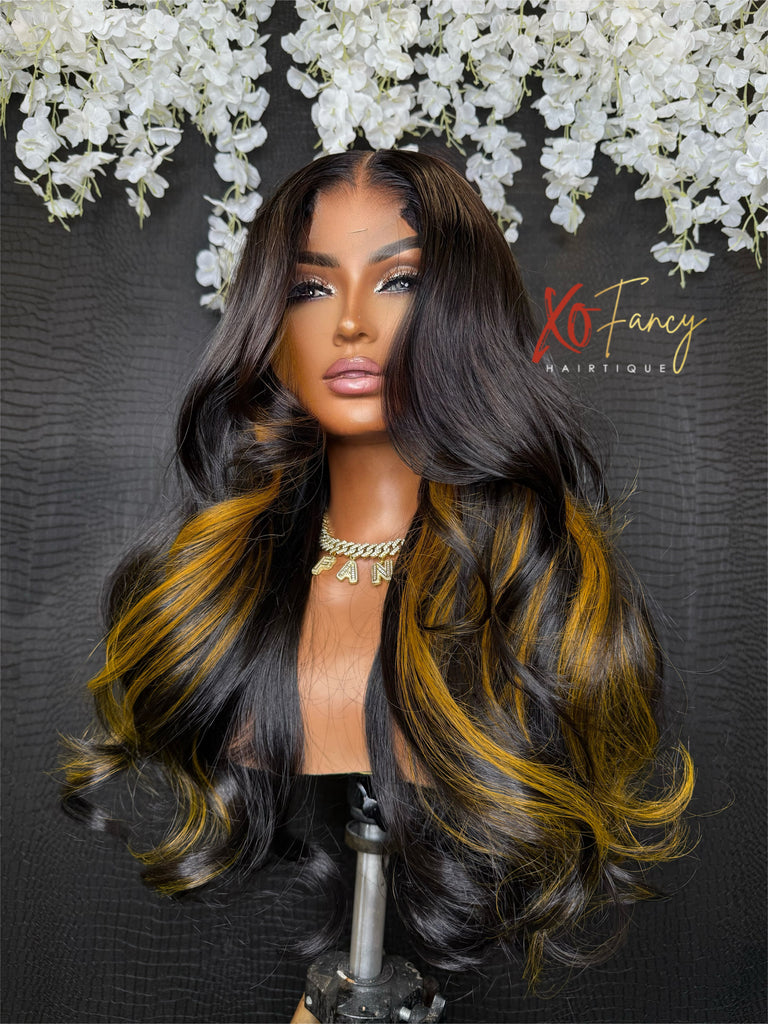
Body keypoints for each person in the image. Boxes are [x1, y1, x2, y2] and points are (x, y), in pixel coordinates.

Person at [61, 149, 693, 989]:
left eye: (398, 281)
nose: (351, 323)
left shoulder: (534, 596)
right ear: (269, 324)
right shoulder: (219, 589)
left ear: (461, 313)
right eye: (310, 288)